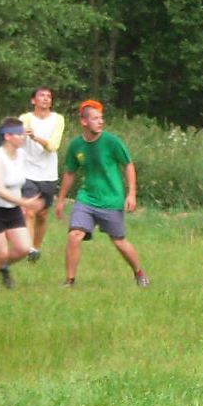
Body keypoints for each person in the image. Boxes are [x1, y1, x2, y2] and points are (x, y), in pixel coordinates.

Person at [54, 99, 150, 288]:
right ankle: (69, 281)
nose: (100, 122)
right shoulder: (76, 146)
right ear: (84, 121)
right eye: (95, 118)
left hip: (111, 199)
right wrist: (61, 199)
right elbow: (70, 172)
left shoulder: (112, 142)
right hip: (86, 198)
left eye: (101, 118)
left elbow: (128, 165)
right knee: (74, 235)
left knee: (119, 242)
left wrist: (132, 193)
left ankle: (139, 273)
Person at [0, 117, 42, 290]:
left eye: (23, 133)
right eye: (19, 134)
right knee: (2, 253)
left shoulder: (21, 154)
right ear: (7, 136)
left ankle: (3, 266)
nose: (23, 137)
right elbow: (0, 189)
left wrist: (22, 203)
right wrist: (24, 202)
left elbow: (17, 183)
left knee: (23, 249)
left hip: (11, 210)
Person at [18, 86, 65, 263]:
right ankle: (29, 249)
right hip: (27, 172)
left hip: (48, 174)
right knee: (28, 212)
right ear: (33, 100)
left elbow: (53, 146)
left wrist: (35, 137)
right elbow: (16, 138)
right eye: (42, 96)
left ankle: (36, 248)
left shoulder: (58, 119)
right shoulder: (25, 118)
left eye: (49, 96)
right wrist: (21, 135)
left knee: (42, 214)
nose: (45, 98)